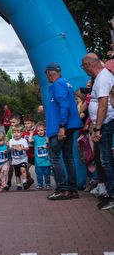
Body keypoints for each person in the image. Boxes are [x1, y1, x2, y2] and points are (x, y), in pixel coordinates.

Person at [44, 62, 82, 200]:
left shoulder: (58, 84)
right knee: (68, 156)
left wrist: (61, 126)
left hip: (61, 127)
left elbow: (64, 105)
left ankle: (63, 189)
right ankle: (72, 189)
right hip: (69, 126)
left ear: (49, 73)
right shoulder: (66, 83)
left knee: (54, 156)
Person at [81, 53, 114, 210]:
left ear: (89, 65)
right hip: (103, 123)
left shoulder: (102, 78)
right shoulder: (101, 77)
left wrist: (98, 128)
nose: (84, 70)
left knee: (106, 160)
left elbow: (103, 105)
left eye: (84, 67)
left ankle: (112, 195)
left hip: (105, 123)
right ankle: (109, 191)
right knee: (102, 159)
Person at [29, 121, 52, 190]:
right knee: (39, 174)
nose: (40, 132)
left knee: (47, 174)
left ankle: (48, 184)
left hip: (46, 160)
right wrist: (32, 133)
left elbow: (48, 142)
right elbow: (30, 140)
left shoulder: (46, 137)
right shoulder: (35, 137)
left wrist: (47, 144)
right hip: (38, 161)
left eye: (41, 130)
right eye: (38, 131)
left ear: (45, 130)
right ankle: (40, 184)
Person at [8, 126, 30, 191]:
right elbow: (9, 149)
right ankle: (19, 185)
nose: (16, 133)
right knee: (17, 174)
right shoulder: (11, 141)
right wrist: (11, 148)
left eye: (18, 132)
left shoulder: (23, 140)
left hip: (23, 159)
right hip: (15, 160)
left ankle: (24, 182)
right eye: (14, 132)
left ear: (21, 133)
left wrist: (22, 148)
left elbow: (27, 148)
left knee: (23, 169)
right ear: (12, 133)